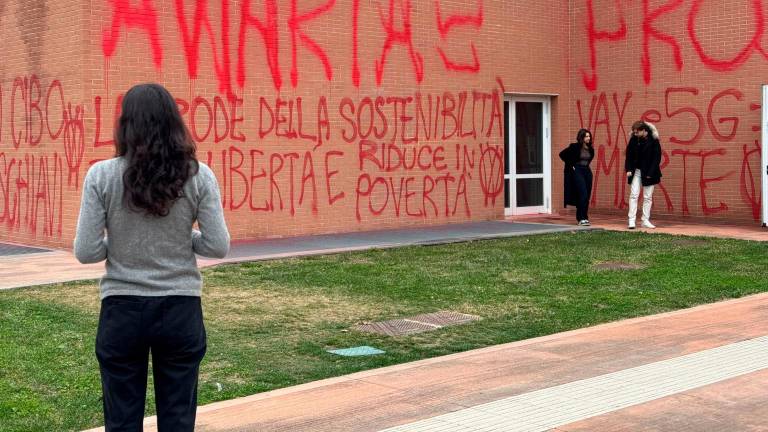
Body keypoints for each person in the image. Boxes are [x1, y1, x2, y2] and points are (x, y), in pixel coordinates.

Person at [74, 83, 230, 431]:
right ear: (174, 122)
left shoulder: (101, 175)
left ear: (125, 124)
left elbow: (86, 251)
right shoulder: (198, 175)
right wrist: (183, 238)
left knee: (122, 420)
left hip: (122, 309)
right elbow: (217, 245)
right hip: (180, 309)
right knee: (177, 419)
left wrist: (119, 245)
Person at [624, 120, 662, 229]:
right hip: (636, 171)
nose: (635, 134)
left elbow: (657, 158)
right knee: (634, 195)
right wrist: (628, 169)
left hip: (650, 172)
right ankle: (631, 220)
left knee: (647, 197)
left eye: (637, 132)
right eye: (634, 132)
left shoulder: (654, 141)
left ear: (644, 130)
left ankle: (645, 220)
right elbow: (629, 155)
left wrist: (650, 173)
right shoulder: (634, 140)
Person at [559, 128, 595, 226]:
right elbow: (562, 154)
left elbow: (589, 159)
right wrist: (572, 166)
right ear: (582, 137)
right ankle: (580, 218)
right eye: (586, 136)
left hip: (587, 171)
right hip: (577, 170)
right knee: (582, 193)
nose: (588, 138)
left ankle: (585, 217)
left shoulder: (590, 148)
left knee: (587, 195)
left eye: (589, 136)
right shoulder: (574, 147)